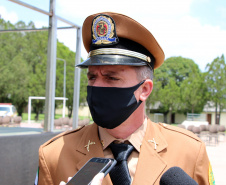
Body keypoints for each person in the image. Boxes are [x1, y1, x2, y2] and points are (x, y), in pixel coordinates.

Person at [36, 12, 214, 185]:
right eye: (92, 77)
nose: (96, 87)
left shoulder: (189, 152)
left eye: (111, 78)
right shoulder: (54, 154)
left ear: (144, 89)